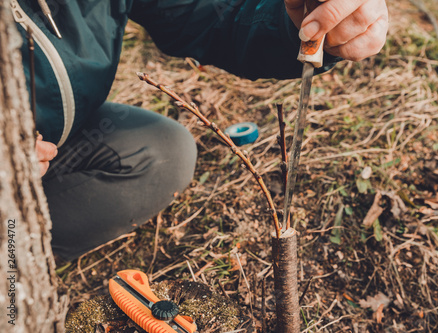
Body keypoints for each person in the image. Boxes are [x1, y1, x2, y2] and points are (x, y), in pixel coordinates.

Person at [18, 0, 388, 260]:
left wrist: (296, 24)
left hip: (51, 146)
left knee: (163, 152)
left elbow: (214, 14)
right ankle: (12, 277)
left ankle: (20, 257)